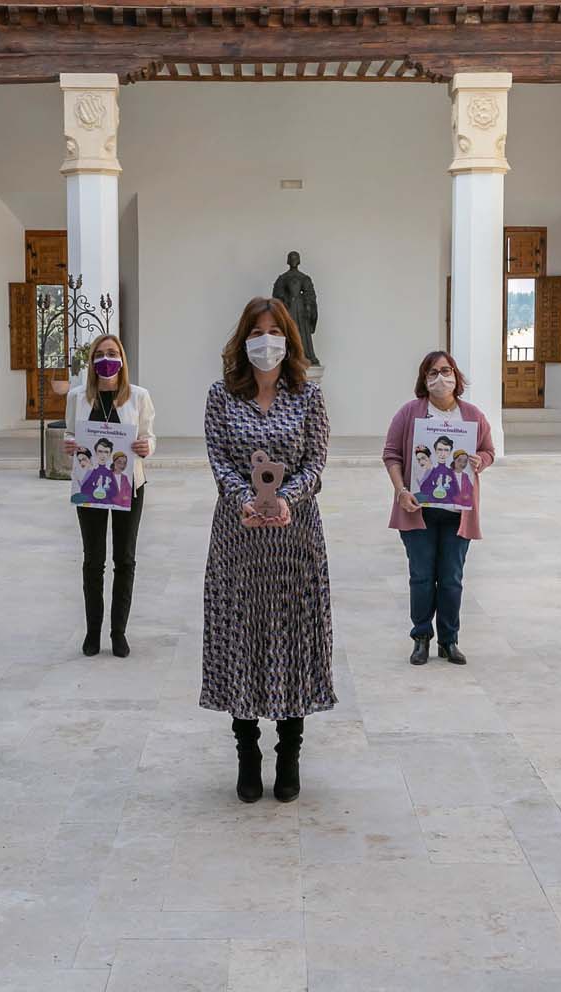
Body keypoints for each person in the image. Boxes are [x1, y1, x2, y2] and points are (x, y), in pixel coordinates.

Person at [202, 296, 333, 805]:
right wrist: (244, 501)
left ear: (288, 340)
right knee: (243, 636)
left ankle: (290, 753)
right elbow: (217, 456)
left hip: (294, 539)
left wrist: (286, 500)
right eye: (256, 332)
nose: (266, 342)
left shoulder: (307, 396)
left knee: (292, 637)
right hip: (239, 540)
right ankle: (247, 753)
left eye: (274, 332)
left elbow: (317, 460)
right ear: (243, 340)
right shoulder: (221, 395)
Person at [382, 351, 496, 666]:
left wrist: (480, 461)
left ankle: (449, 640)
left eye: (446, 371)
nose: (440, 378)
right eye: (432, 373)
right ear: (424, 379)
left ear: (456, 377)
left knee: (451, 579)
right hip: (418, 510)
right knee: (421, 577)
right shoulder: (409, 414)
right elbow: (391, 454)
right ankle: (420, 638)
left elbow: (488, 451)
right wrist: (401, 490)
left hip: (458, 514)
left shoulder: (472, 416)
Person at [63, 334, 157, 658]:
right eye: (100, 354)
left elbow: (148, 435)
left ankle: (118, 632)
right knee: (93, 561)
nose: (107, 359)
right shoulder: (78, 397)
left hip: (128, 485)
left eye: (113, 353)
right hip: (89, 487)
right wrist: (69, 444)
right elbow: (71, 434)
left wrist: (148, 447)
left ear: (122, 359)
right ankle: (92, 633)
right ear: (91, 362)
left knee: (125, 559)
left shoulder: (138, 396)